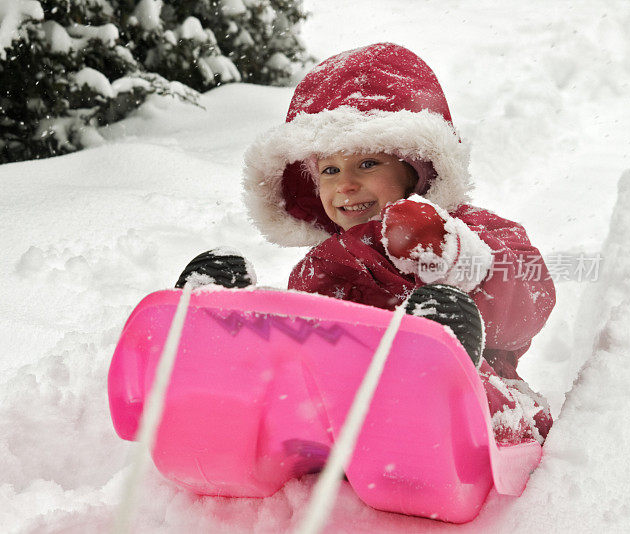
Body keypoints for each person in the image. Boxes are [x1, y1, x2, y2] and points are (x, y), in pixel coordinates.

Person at [179, 43, 554, 445]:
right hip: (341, 409)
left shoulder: (468, 229)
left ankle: (431, 386)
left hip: (470, 396)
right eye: (330, 169)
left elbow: (532, 298)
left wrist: (456, 260)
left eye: (368, 164)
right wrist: (257, 319)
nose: (346, 184)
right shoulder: (323, 264)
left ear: (416, 166)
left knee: (483, 392)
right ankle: (215, 330)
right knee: (288, 356)